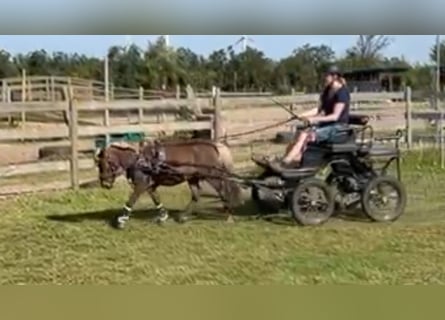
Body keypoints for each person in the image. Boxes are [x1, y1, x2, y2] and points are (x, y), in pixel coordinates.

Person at [269, 65, 351, 172]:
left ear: (335, 76)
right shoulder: (327, 91)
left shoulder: (342, 93)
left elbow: (335, 116)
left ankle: (286, 163)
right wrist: (302, 115)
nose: (324, 77)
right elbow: (320, 111)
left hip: (338, 128)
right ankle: (289, 160)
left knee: (305, 135)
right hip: (327, 125)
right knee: (299, 133)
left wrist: (314, 120)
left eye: (326, 75)